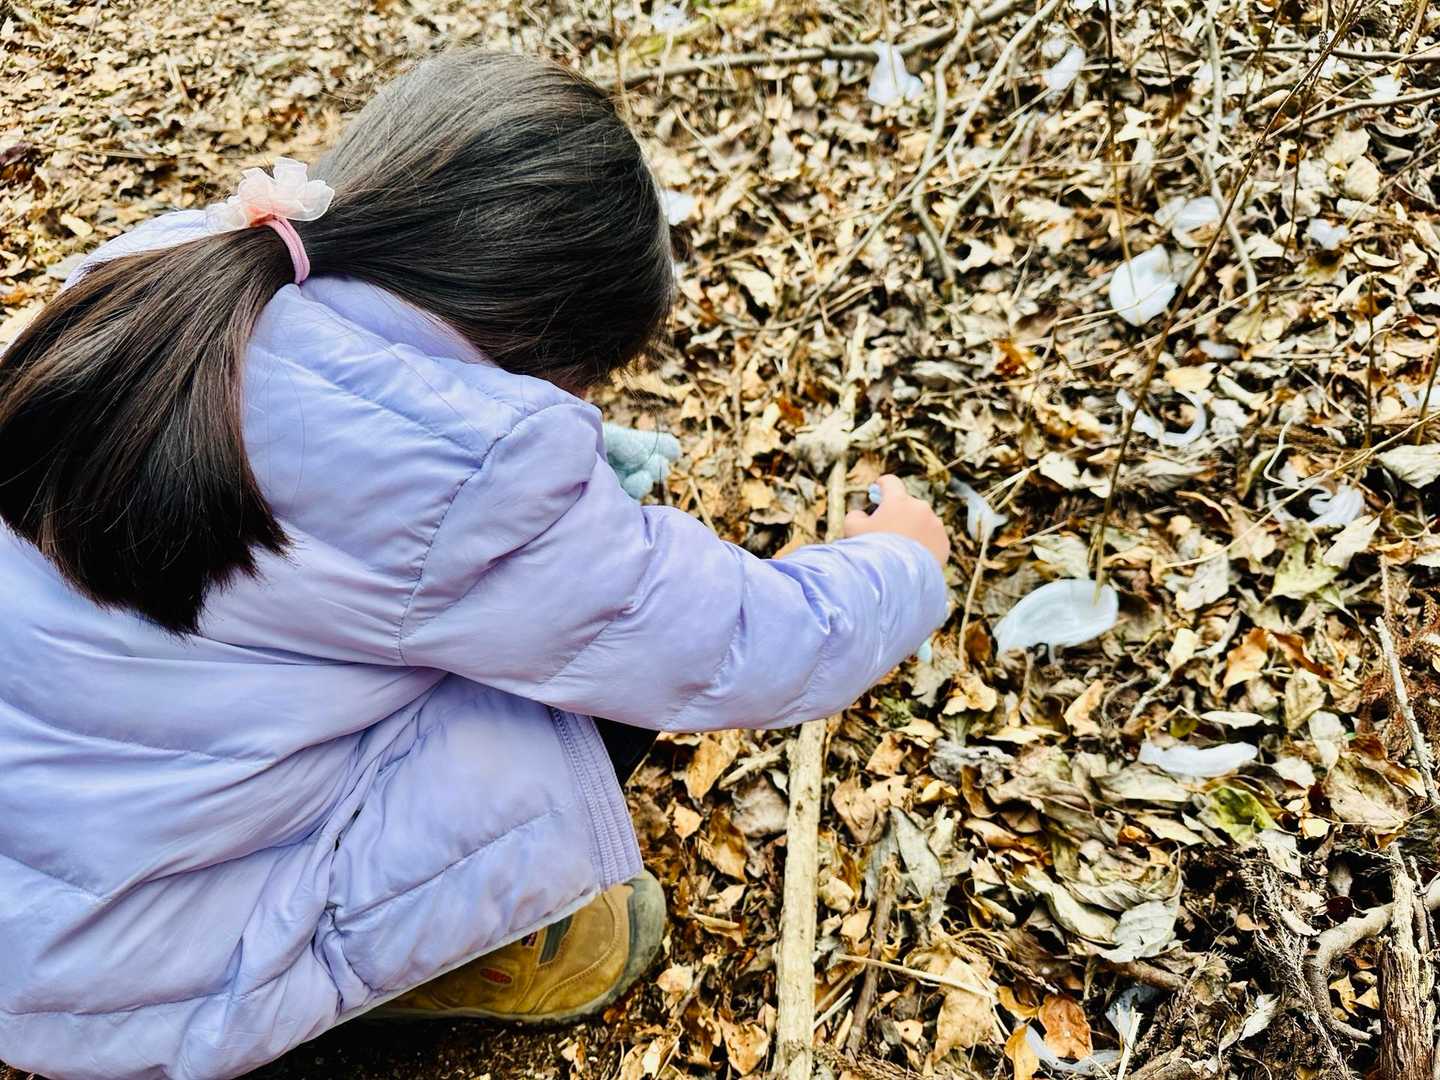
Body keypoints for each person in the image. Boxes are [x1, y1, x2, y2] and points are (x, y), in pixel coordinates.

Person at [0, 51, 949, 1080]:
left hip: (41, 884)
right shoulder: (479, 469)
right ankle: (449, 964)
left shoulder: (170, 268)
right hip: (114, 979)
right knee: (587, 699)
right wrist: (901, 559)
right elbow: (734, 643)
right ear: (545, 340)